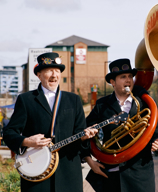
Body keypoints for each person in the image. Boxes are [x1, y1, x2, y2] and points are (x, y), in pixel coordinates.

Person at [3, 52, 98, 192]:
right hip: (37, 175)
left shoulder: (74, 100)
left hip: (68, 175)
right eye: (49, 70)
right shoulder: (26, 99)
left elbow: (80, 136)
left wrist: (84, 137)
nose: (54, 75)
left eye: (57, 71)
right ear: (39, 75)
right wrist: (27, 142)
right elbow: (9, 133)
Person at [82, 58, 158, 192]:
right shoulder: (102, 105)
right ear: (112, 82)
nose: (128, 80)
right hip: (110, 175)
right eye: (123, 77)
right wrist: (90, 162)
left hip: (139, 175)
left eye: (130, 77)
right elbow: (84, 133)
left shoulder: (144, 103)